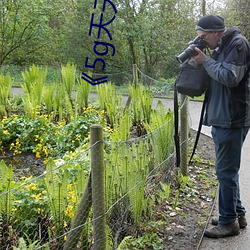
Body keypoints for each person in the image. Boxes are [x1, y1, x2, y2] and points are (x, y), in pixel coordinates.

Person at [192, 15, 250, 238]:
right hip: (222, 117)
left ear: (216, 32)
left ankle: (228, 223)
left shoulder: (238, 44)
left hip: (232, 118)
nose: (203, 41)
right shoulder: (221, 46)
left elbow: (229, 77)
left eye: (204, 37)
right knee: (227, 171)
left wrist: (205, 61)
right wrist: (202, 60)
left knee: (225, 171)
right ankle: (237, 214)